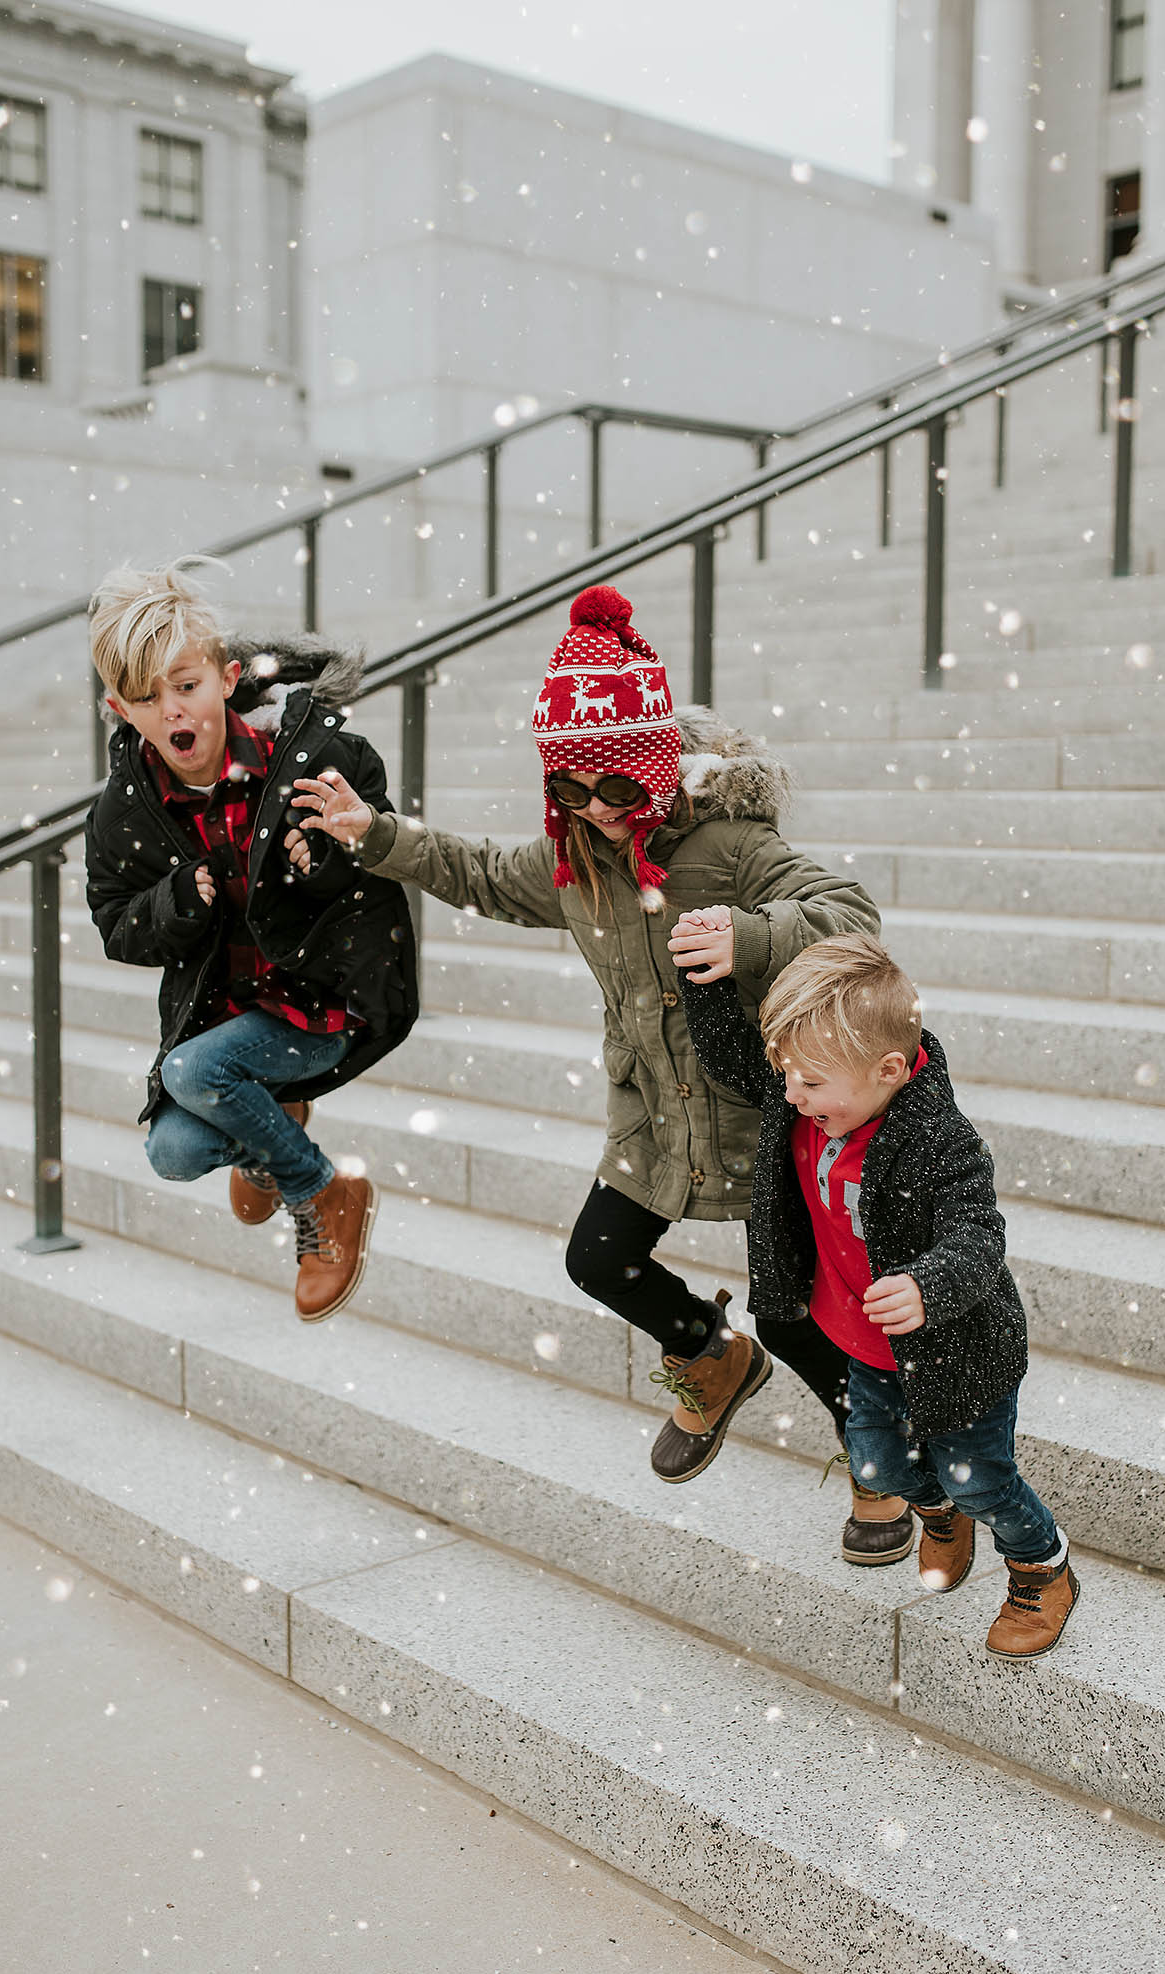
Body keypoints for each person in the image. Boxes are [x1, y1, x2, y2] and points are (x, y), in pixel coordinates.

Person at [290, 582, 882, 1487]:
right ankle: (712, 1356)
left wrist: (749, 934)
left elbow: (850, 914)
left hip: (757, 1111)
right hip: (652, 1113)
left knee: (792, 1309)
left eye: (615, 783)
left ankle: (878, 1446)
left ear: (652, 763)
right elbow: (477, 871)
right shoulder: (573, 863)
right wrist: (374, 834)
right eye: (572, 784)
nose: (599, 806)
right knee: (598, 1258)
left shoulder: (724, 844)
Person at [674, 923, 1081, 1658]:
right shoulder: (819, 1087)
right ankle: (938, 1515)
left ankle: (1040, 1570)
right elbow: (734, 1059)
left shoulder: (940, 1140)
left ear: (890, 1068)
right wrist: (705, 978)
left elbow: (980, 1235)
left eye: (809, 1083)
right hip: (866, 1347)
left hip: (958, 1352)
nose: (791, 1096)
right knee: (875, 1466)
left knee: (983, 1482)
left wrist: (928, 1284)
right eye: (786, 1074)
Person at [84, 559, 418, 1322]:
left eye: (187, 685)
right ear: (120, 709)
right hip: (229, 1015)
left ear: (226, 676)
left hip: (324, 1002)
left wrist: (330, 858)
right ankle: (278, 1121)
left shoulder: (305, 757)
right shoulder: (125, 811)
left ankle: (322, 1193)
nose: (173, 710)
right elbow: (114, 922)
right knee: (172, 1153)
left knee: (193, 1069)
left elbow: (382, 841)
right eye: (146, 697)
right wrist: (173, 902)